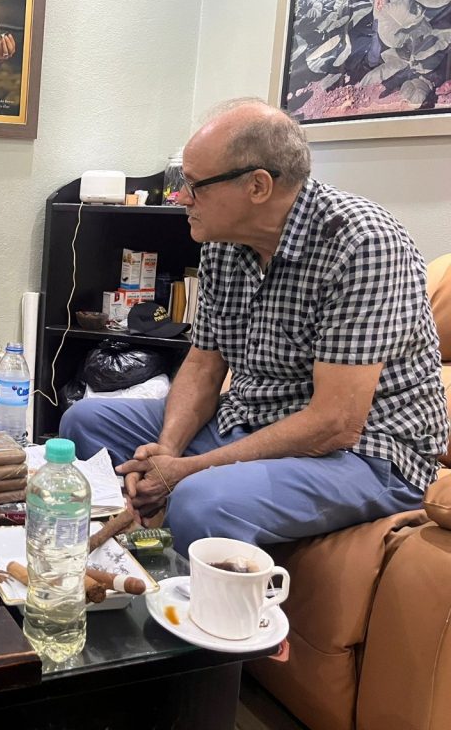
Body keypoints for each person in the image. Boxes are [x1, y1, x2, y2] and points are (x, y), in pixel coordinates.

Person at [60, 98, 449, 558]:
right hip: (250, 418)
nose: (182, 198)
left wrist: (189, 471)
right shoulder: (223, 243)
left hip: (366, 452)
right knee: (85, 420)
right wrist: (166, 452)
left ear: (258, 186)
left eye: (194, 186)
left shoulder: (363, 243)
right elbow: (204, 365)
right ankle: (124, 564)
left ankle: (173, 596)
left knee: (201, 500)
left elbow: (335, 424)